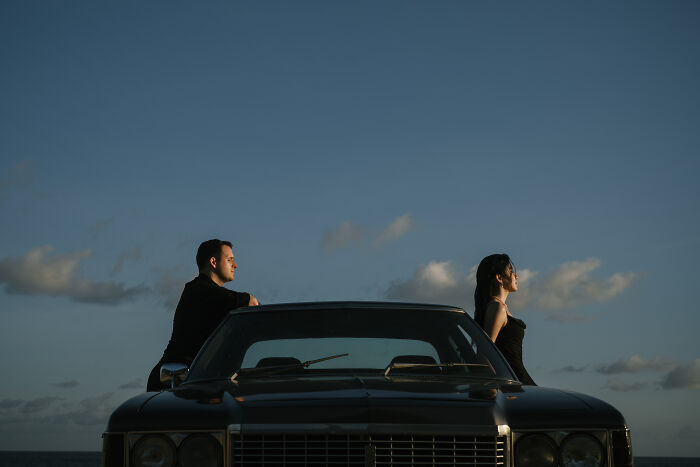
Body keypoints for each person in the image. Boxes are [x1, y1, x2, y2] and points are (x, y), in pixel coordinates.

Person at [146, 239, 259, 391]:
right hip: (174, 380)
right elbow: (249, 302)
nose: (235, 265)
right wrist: (248, 299)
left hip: (190, 378)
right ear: (213, 262)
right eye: (229, 260)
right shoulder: (199, 291)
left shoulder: (208, 294)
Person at [473, 253, 536, 385]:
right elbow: (484, 354)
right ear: (499, 278)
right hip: (511, 383)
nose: (516, 276)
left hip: (516, 380)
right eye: (511, 272)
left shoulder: (501, 307)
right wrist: (497, 385)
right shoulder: (497, 308)